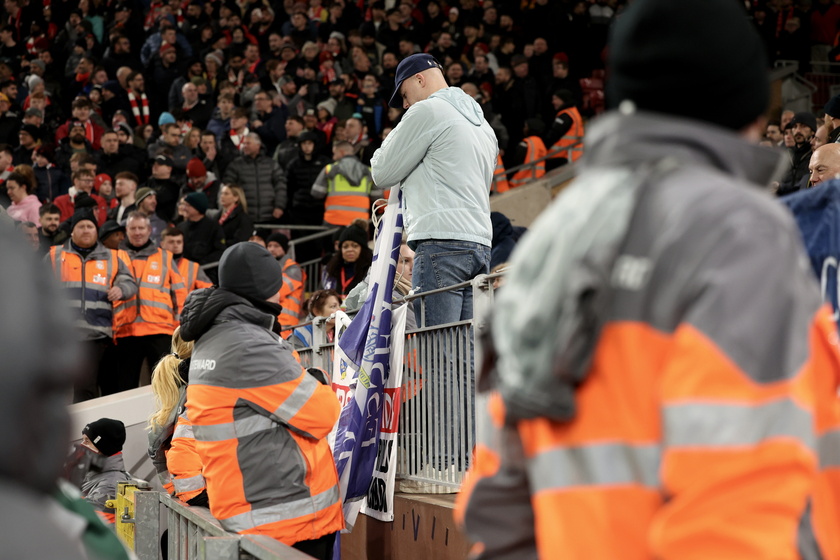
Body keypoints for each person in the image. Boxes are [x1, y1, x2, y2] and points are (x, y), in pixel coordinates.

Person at [456, 0, 840, 558]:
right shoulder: (739, 230)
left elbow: (500, 503)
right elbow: (735, 515)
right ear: (748, 108)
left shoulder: (557, 232)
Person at [182, 243, 343, 558]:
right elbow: (324, 413)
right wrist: (316, 382)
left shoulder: (214, 338)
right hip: (286, 522)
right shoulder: (250, 345)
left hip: (251, 514)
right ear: (266, 288)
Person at [371, 53, 495, 328]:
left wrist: (396, 133)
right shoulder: (483, 125)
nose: (405, 105)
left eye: (404, 94)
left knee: (438, 352)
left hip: (440, 242)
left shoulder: (427, 111)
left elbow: (381, 171)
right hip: (480, 244)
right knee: (467, 353)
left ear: (419, 78)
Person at [47, 209, 137, 402]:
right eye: (81, 226)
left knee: (98, 388)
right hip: (64, 334)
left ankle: (93, 430)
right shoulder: (55, 255)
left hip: (99, 333)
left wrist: (121, 289)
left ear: (96, 231)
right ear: (72, 231)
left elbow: (130, 283)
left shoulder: (112, 257)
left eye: (90, 226)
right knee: (72, 388)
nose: (86, 230)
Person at [112, 212, 186, 395]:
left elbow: (180, 294)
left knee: (167, 385)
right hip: (126, 330)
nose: (137, 232)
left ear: (149, 230)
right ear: (126, 231)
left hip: (159, 329)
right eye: (133, 228)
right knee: (124, 387)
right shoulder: (114, 256)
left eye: (141, 228)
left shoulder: (165, 257)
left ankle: (169, 421)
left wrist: (178, 328)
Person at [147, 327, 208, 505]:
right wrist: (189, 491)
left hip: (192, 488)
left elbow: (155, 447)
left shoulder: (181, 384)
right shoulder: (197, 388)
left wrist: (175, 488)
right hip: (200, 490)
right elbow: (182, 446)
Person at [223, 132, 287, 223]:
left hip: (269, 216)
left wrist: (279, 206)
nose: (245, 146)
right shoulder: (236, 165)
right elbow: (229, 186)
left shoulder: (271, 164)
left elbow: (280, 186)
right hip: (244, 216)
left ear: (258, 145)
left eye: (248, 143)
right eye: (244, 144)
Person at [311, 140, 379, 227]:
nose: (333, 157)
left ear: (342, 152)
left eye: (335, 153)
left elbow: (317, 193)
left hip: (333, 220)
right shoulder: (369, 171)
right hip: (360, 222)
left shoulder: (330, 169)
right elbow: (377, 197)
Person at [79, 418, 132, 524]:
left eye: (87, 441)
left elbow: (90, 526)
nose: (82, 445)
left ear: (104, 448)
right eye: (83, 440)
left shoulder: (110, 485)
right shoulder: (93, 474)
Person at [266, 232, 305, 336]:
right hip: (273, 320)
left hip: (286, 325)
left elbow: (276, 290)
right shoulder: (269, 268)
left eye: (276, 246)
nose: (272, 249)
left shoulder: (293, 268)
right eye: (269, 246)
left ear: (284, 248)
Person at [322, 222, 372, 297]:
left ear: (363, 249)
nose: (349, 250)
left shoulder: (371, 270)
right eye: (345, 247)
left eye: (355, 246)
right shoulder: (330, 270)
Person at [161, 227, 213, 292]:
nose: (176, 245)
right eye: (171, 242)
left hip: (185, 301)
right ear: (162, 244)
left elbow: (208, 290)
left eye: (179, 242)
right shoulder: (153, 263)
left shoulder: (193, 267)